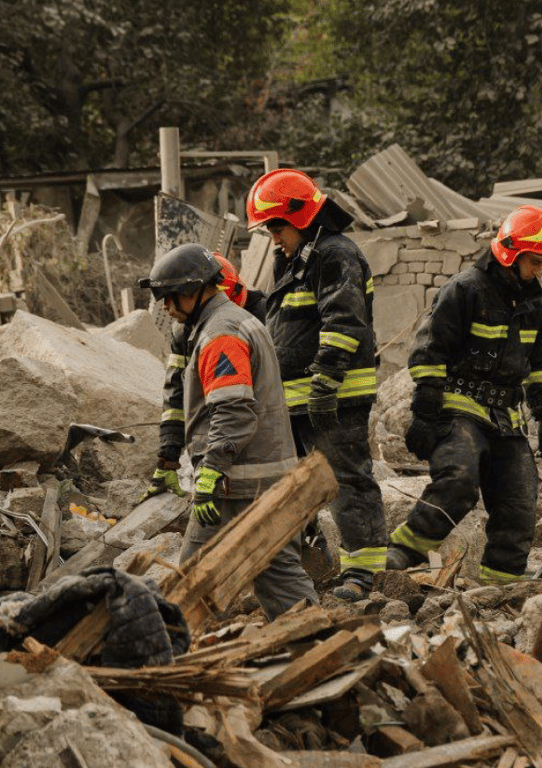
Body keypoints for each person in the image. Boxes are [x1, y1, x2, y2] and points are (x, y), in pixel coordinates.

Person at [383, 205, 542, 584]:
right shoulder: (464, 290)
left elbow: (539, 364)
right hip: (459, 409)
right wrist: (425, 413)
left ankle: (503, 581)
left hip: (506, 418)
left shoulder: (532, 304)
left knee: (520, 495)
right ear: (510, 254)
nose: (539, 270)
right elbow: (429, 353)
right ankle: (400, 552)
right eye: (535, 261)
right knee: (460, 480)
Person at [138, 243, 318, 619]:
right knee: (280, 577)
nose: (167, 309)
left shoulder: (220, 334)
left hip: (237, 483)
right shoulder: (237, 320)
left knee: (191, 582)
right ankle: (327, 649)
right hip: (266, 478)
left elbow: (234, 411)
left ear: (192, 290)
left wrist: (210, 473)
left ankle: (165, 657)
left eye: (169, 299)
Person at [245, 169, 387, 601]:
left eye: (276, 226)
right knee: (291, 483)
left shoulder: (335, 254)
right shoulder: (299, 256)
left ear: (301, 216)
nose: (272, 236)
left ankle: (362, 575)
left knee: (347, 480)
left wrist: (325, 381)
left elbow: (343, 320)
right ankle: (316, 563)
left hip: (335, 396)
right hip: (298, 400)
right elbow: (286, 323)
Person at [140, 253, 265, 504]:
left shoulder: (235, 326)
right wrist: (168, 458)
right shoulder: (185, 329)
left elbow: (234, 407)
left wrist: (212, 468)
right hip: (222, 447)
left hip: (254, 448)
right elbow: (176, 396)